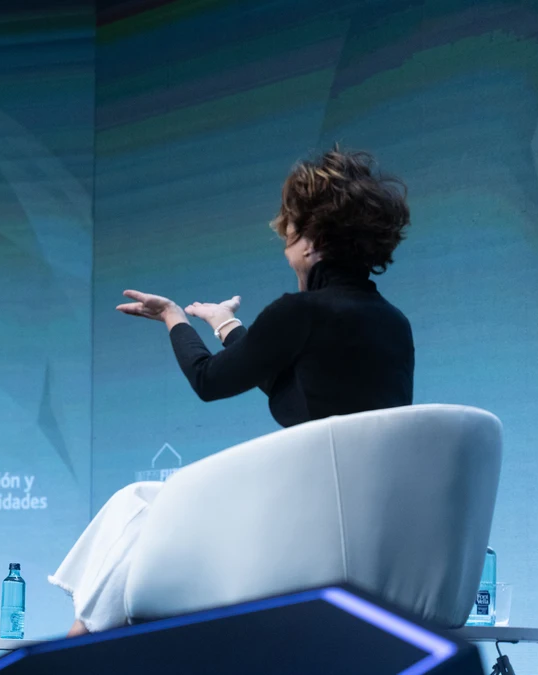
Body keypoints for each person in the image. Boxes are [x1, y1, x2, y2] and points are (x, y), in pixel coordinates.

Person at [49, 147, 415, 636]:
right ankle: (84, 644)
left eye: (289, 232)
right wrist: (226, 325)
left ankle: (75, 648)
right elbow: (291, 386)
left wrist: (173, 317)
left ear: (312, 242)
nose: (285, 246)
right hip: (363, 536)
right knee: (140, 505)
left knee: (136, 508)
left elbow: (209, 380)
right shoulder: (393, 323)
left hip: (299, 532)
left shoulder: (300, 312)